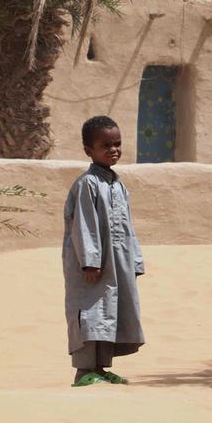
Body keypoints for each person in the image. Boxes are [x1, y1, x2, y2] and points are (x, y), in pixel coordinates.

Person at [63, 116, 146, 387]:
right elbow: (83, 225)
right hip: (93, 267)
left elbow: (128, 227)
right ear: (89, 150)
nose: (113, 150)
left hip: (117, 264)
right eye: (105, 145)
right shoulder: (87, 184)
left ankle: (100, 368)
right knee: (91, 311)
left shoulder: (118, 185)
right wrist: (90, 262)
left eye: (117, 144)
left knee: (109, 313)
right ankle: (83, 370)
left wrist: (135, 261)